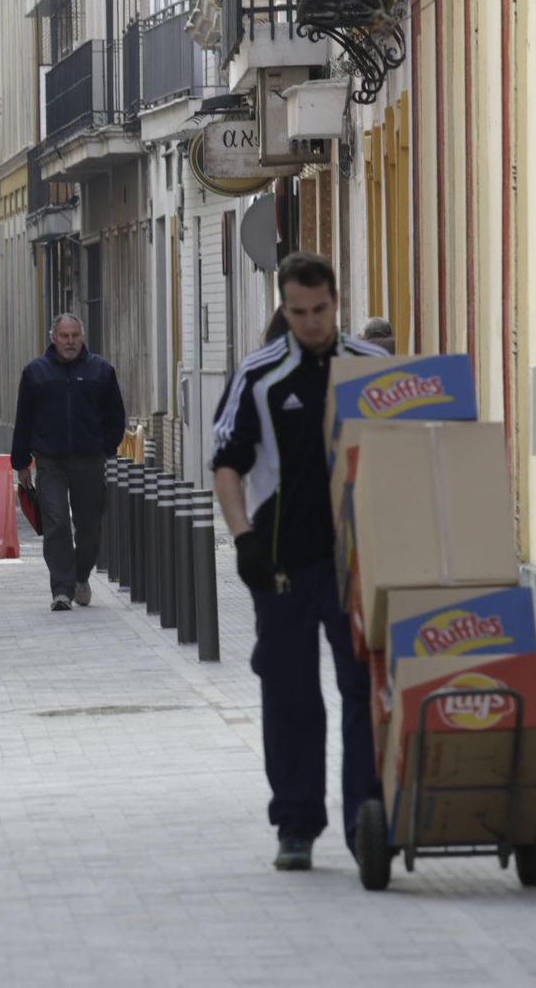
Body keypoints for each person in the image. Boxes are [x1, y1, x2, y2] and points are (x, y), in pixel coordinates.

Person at [211, 252, 388, 873]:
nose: (310, 323)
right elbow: (226, 462)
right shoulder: (260, 374)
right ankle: (295, 825)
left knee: (366, 691)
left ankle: (371, 819)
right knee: (290, 697)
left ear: (337, 303)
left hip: (361, 566)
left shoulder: (375, 370)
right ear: (282, 308)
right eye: (297, 312)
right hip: (283, 566)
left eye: (319, 310)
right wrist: (243, 539)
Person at [10, 314, 127, 611]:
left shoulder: (100, 371)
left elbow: (115, 415)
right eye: (64, 336)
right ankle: (61, 589)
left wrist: (107, 447)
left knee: (89, 527)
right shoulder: (36, 373)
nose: (70, 341)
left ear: (82, 337)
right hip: (50, 461)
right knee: (56, 522)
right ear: (53, 337)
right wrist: (21, 463)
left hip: (90, 460)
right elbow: (23, 419)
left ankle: (80, 575)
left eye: (75, 335)